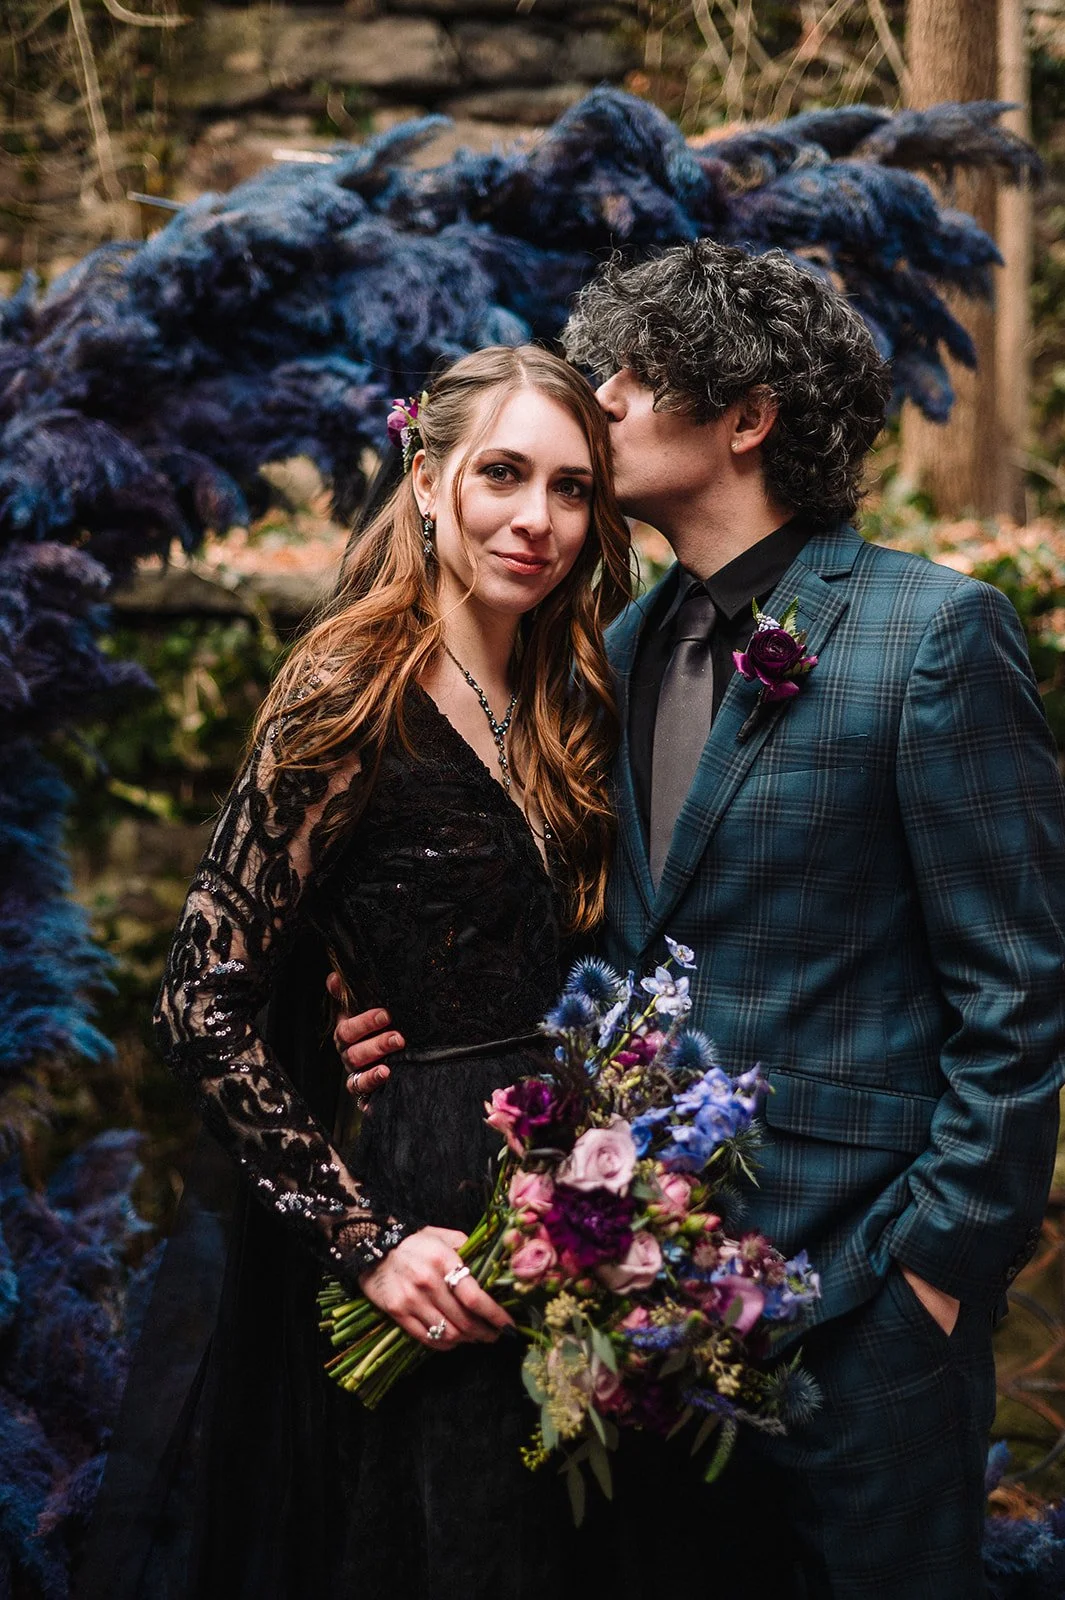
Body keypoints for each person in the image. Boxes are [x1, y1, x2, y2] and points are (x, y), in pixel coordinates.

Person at [336, 242, 1065, 1598]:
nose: (598, 402)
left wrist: (934, 1278)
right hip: (644, 1326)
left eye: (636, 376)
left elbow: (1016, 994)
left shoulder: (932, 633)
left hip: (867, 1311)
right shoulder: (608, 649)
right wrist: (373, 1010)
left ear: (747, 416)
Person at [102, 344, 634, 1600]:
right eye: (503, 474)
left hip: (573, 1213)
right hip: (431, 1229)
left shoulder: (567, 693)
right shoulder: (350, 688)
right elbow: (199, 994)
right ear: (430, 476)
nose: (537, 519)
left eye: (571, 489)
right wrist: (370, 1238)